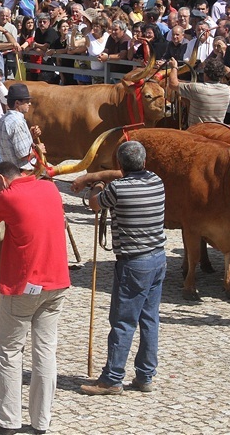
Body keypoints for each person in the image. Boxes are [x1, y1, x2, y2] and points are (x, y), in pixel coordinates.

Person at [0, 162, 70, 435]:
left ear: (0, 180)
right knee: (45, 352)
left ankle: (7, 421)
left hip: (24, 286)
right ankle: (41, 422)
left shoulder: (6, 197)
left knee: (9, 352)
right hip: (57, 283)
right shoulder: (50, 189)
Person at [74, 141, 166, 395]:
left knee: (123, 322)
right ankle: (145, 376)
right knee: (150, 319)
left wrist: (97, 184)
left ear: (120, 165)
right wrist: (97, 176)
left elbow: (95, 204)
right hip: (158, 258)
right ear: (144, 163)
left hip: (133, 263)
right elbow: (124, 172)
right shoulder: (157, 181)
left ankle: (112, 379)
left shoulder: (120, 189)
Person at [167, 57, 230, 124]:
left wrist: (174, 67)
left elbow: (173, 84)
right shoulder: (226, 89)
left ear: (205, 74)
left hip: (197, 131)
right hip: (217, 130)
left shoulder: (197, 89)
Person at [0, 83, 45, 170]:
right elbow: (23, 155)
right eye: (26, 101)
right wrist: (38, 150)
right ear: (17, 103)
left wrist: (29, 135)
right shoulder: (18, 122)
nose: (29, 104)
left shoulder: (4, 119)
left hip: (10, 169)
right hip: (24, 171)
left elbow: (14, 142)